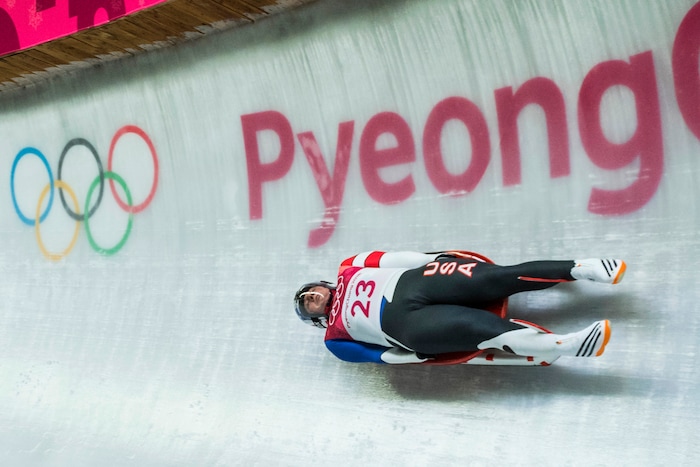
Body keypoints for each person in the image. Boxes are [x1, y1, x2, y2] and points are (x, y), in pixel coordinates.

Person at [293, 250, 626, 365]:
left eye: (310, 291)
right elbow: (376, 356)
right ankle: (567, 345)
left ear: (323, 283)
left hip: (415, 281)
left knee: (497, 278)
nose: (311, 297)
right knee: (480, 330)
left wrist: (432, 260)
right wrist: (411, 357)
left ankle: (583, 268)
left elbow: (392, 258)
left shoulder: (349, 265)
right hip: (405, 326)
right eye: (308, 304)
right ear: (316, 318)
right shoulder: (334, 341)